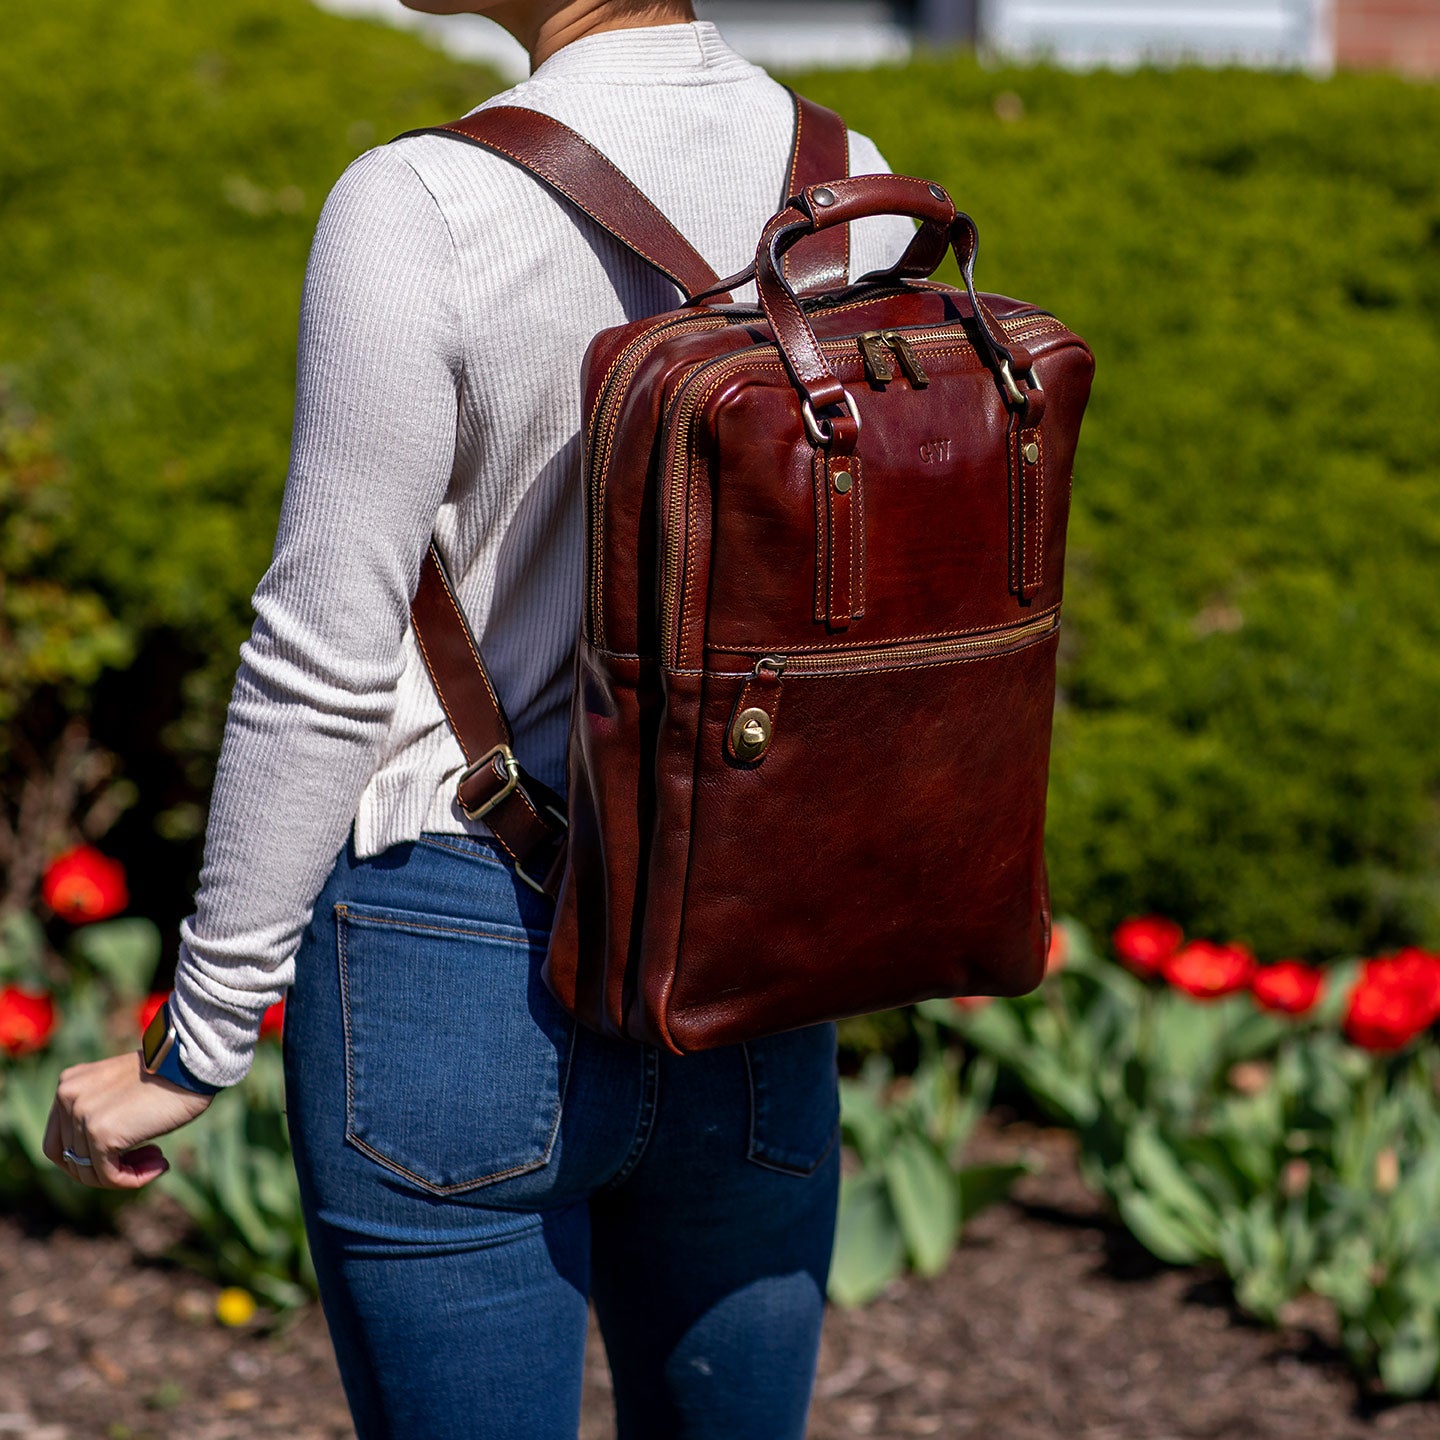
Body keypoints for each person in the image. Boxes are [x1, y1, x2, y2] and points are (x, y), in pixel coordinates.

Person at [45, 0, 915, 1433]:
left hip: (453, 945)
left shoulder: (424, 200)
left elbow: (326, 651)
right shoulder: (848, 180)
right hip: (752, 952)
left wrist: (194, 1040)